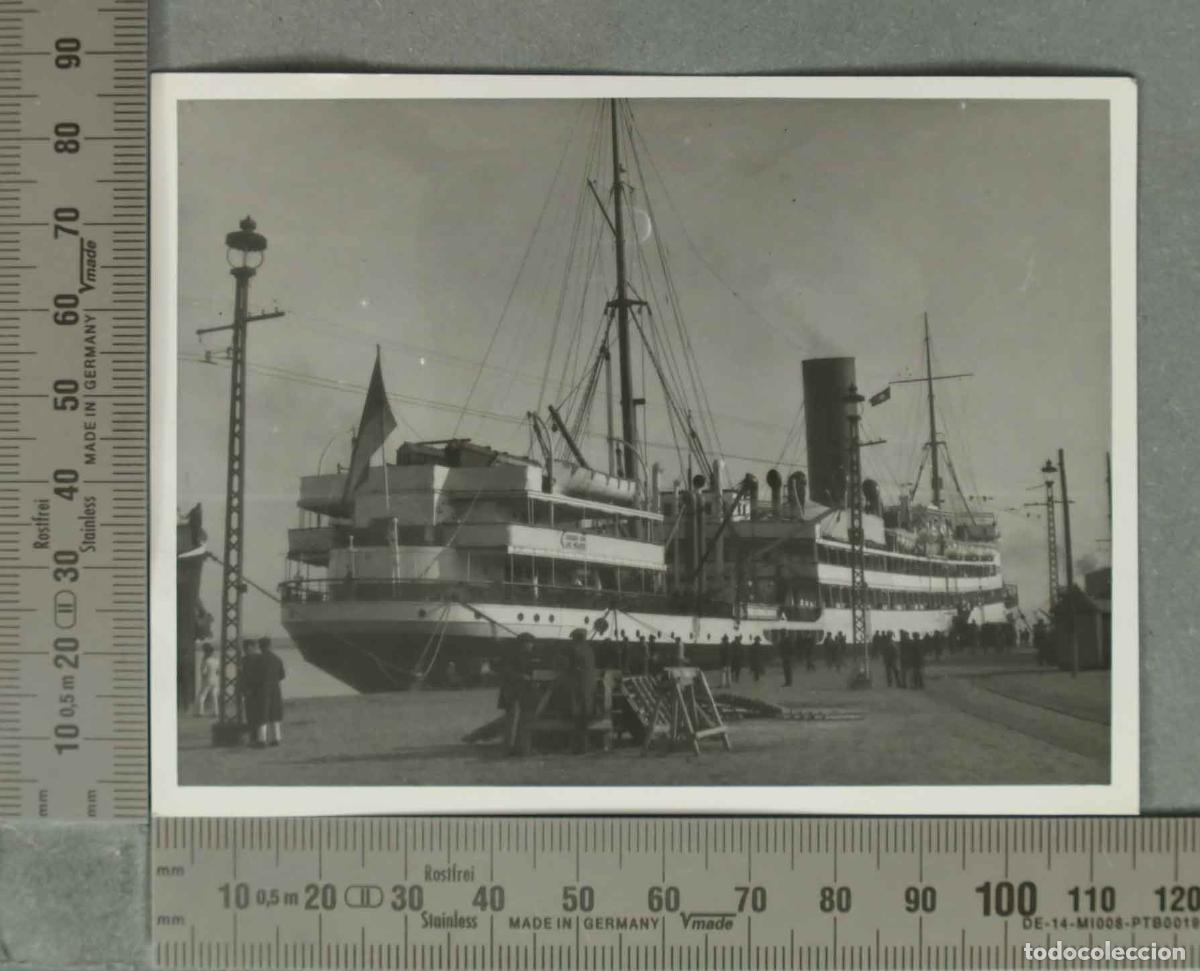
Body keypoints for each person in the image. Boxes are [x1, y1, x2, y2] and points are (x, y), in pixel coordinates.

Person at [567, 628, 596, 753]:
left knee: (577, 717)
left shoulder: (575, 650)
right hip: (589, 687)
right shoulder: (589, 650)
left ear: (576, 638)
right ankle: (585, 746)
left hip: (578, 686)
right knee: (586, 716)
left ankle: (578, 748)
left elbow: (570, 667)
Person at [256, 636, 286, 747]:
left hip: (262, 689)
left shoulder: (258, 659)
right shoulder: (277, 659)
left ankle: (262, 740)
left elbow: (254, 676)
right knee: (275, 714)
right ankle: (276, 739)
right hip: (275, 688)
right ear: (270, 645)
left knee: (262, 715)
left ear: (260, 646)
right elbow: (282, 675)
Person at [239, 639, 264, 745]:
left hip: (256, 690)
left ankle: (258, 738)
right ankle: (254, 738)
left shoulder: (257, 659)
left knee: (256, 716)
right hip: (251, 691)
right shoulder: (245, 660)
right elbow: (240, 676)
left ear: (253, 647)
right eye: (245, 648)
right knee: (251, 716)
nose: (246, 650)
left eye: (248, 647)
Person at [195, 643, 219, 716]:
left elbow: (204, 672)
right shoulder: (216, 660)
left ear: (206, 652)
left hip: (207, 680)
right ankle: (216, 712)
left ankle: (200, 712)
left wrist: (202, 668)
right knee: (214, 696)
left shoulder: (206, 661)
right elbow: (218, 671)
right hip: (215, 680)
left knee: (202, 696)